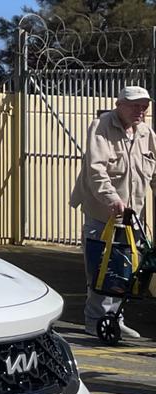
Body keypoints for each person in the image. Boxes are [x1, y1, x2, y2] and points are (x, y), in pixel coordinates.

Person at [70, 85, 155, 339]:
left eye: (144, 106)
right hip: (103, 212)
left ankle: (115, 319)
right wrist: (112, 198)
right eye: (134, 105)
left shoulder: (146, 133)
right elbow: (96, 171)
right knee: (101, 268)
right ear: (119, 105)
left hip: (132, 216)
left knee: (125, 268)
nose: (140, 111)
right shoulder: (101, 127)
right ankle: (95, 319)